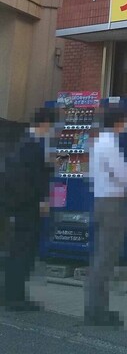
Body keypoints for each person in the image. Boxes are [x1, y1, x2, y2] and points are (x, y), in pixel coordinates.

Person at [2, 108, 58, 311]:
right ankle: (15, 298)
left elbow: (33, 171)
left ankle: (11, 293)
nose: (51, 130)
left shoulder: (25, 142)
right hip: (26, 207)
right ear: (44, 124)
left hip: (20, 206)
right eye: (51, 126)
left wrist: (49, 165)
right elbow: (31, 177)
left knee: (19, 249)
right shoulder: (31, 145)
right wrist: (41, 200)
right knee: (23, 250)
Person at [85, 105, 127, 327]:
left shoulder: (98, 143)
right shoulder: (109, 144)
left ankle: (97, 308)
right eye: (125, 120)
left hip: (102, 201)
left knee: (102, 256)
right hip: (112, 204)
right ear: (118, 121)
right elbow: (122, 175)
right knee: (106, 258)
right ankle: (97, 312)